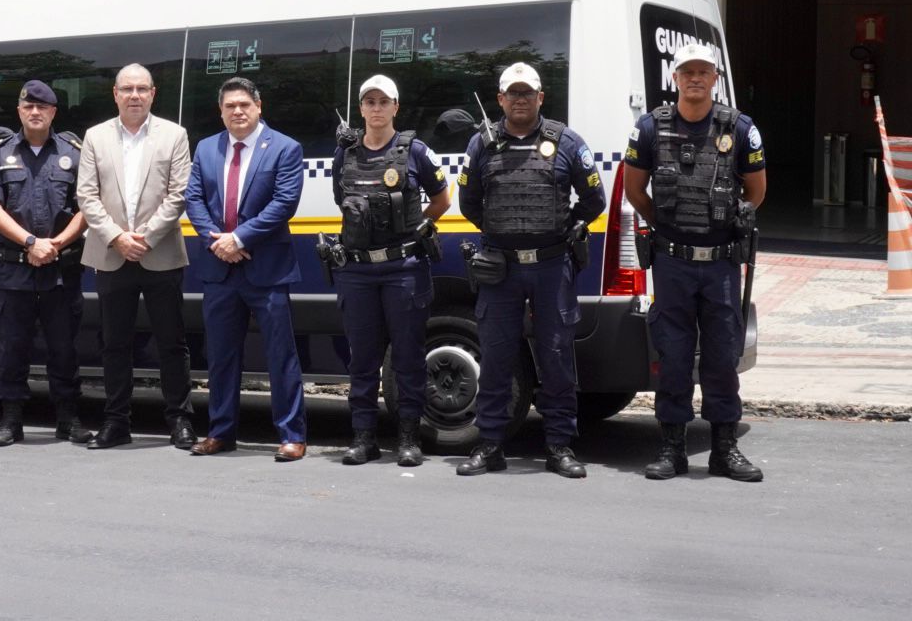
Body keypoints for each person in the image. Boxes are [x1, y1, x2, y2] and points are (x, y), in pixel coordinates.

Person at [623, 42, 767, 483]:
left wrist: (727, 221)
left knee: (722, 357)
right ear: (675, 78)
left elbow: (756, 192)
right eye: (687, 72)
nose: (695, 78)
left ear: (715, 79)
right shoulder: (649, 129)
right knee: (673, 355)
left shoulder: (739, 129)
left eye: (704, 71)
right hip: (672, 264)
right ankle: (672, 449)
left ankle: (724, 449)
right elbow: (635, 191)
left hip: (722, 264)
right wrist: (665, 228)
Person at [456, 62, 606, 478]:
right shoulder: (481, 145)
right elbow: (468, 202)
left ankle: (559, 447)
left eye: (528, 93)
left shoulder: (567, 142)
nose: (520, 100)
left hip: (551, 266)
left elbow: (595, 199)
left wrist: (564, 225)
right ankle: (490, 446)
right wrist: (502, 231)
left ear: (541, 98)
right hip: (499, 269)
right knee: (498, 358)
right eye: (512, 93)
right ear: (500, 99)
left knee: (556, 357)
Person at [329, 75, 452, 467]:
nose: (377, 109)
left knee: (408, 357)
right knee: (362, 359)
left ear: (395, 108)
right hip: (358, 270)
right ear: (361, 109)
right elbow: (341, 199)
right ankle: (364, 438)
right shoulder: (344, 154)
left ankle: (408, 439)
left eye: (384, 102)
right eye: (370, 102)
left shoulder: (415, 151)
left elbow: (442, 199)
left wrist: (415, 228)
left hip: (403, 268)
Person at [184, 77, 307, 461]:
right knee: (221, 355)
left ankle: (291, 435)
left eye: (244, 105)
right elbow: (194, 198)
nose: (237, 111)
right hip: (220, 270)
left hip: (266, 269)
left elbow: (284, 203)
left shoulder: (285, 148)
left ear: (259, 106)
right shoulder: (206, 148)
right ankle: (221, 432)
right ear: (221, 111)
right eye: (229, 106)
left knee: (279, 355)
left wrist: (238, 239)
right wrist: (215, 240)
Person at [75, 64, 196, 451]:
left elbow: (178, 194)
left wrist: (142, 237)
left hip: (159, 254)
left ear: (153, 94)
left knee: (172, 343)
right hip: (111, 256)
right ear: (115, 94)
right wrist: (116, 238)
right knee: (114, 344)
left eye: (141, 89)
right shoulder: (95, 137)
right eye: (127, 89)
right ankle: (116, 422)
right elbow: (87, 196)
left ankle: (180, 421)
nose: (134, 95)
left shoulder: (174, 135)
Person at [0, 80, 91, 447]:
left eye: (43, 107)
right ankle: (11, 421)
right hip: (14, 269)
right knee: (12, 347)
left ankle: (68, 419)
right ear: (20, 111)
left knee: (64, 349)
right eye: (29, 106)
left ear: (54, 112)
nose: (36, 112)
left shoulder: (73, 153)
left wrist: (54, 244)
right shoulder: (1, 154)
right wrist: (29, 242)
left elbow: (87, 206)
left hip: (60, 269)